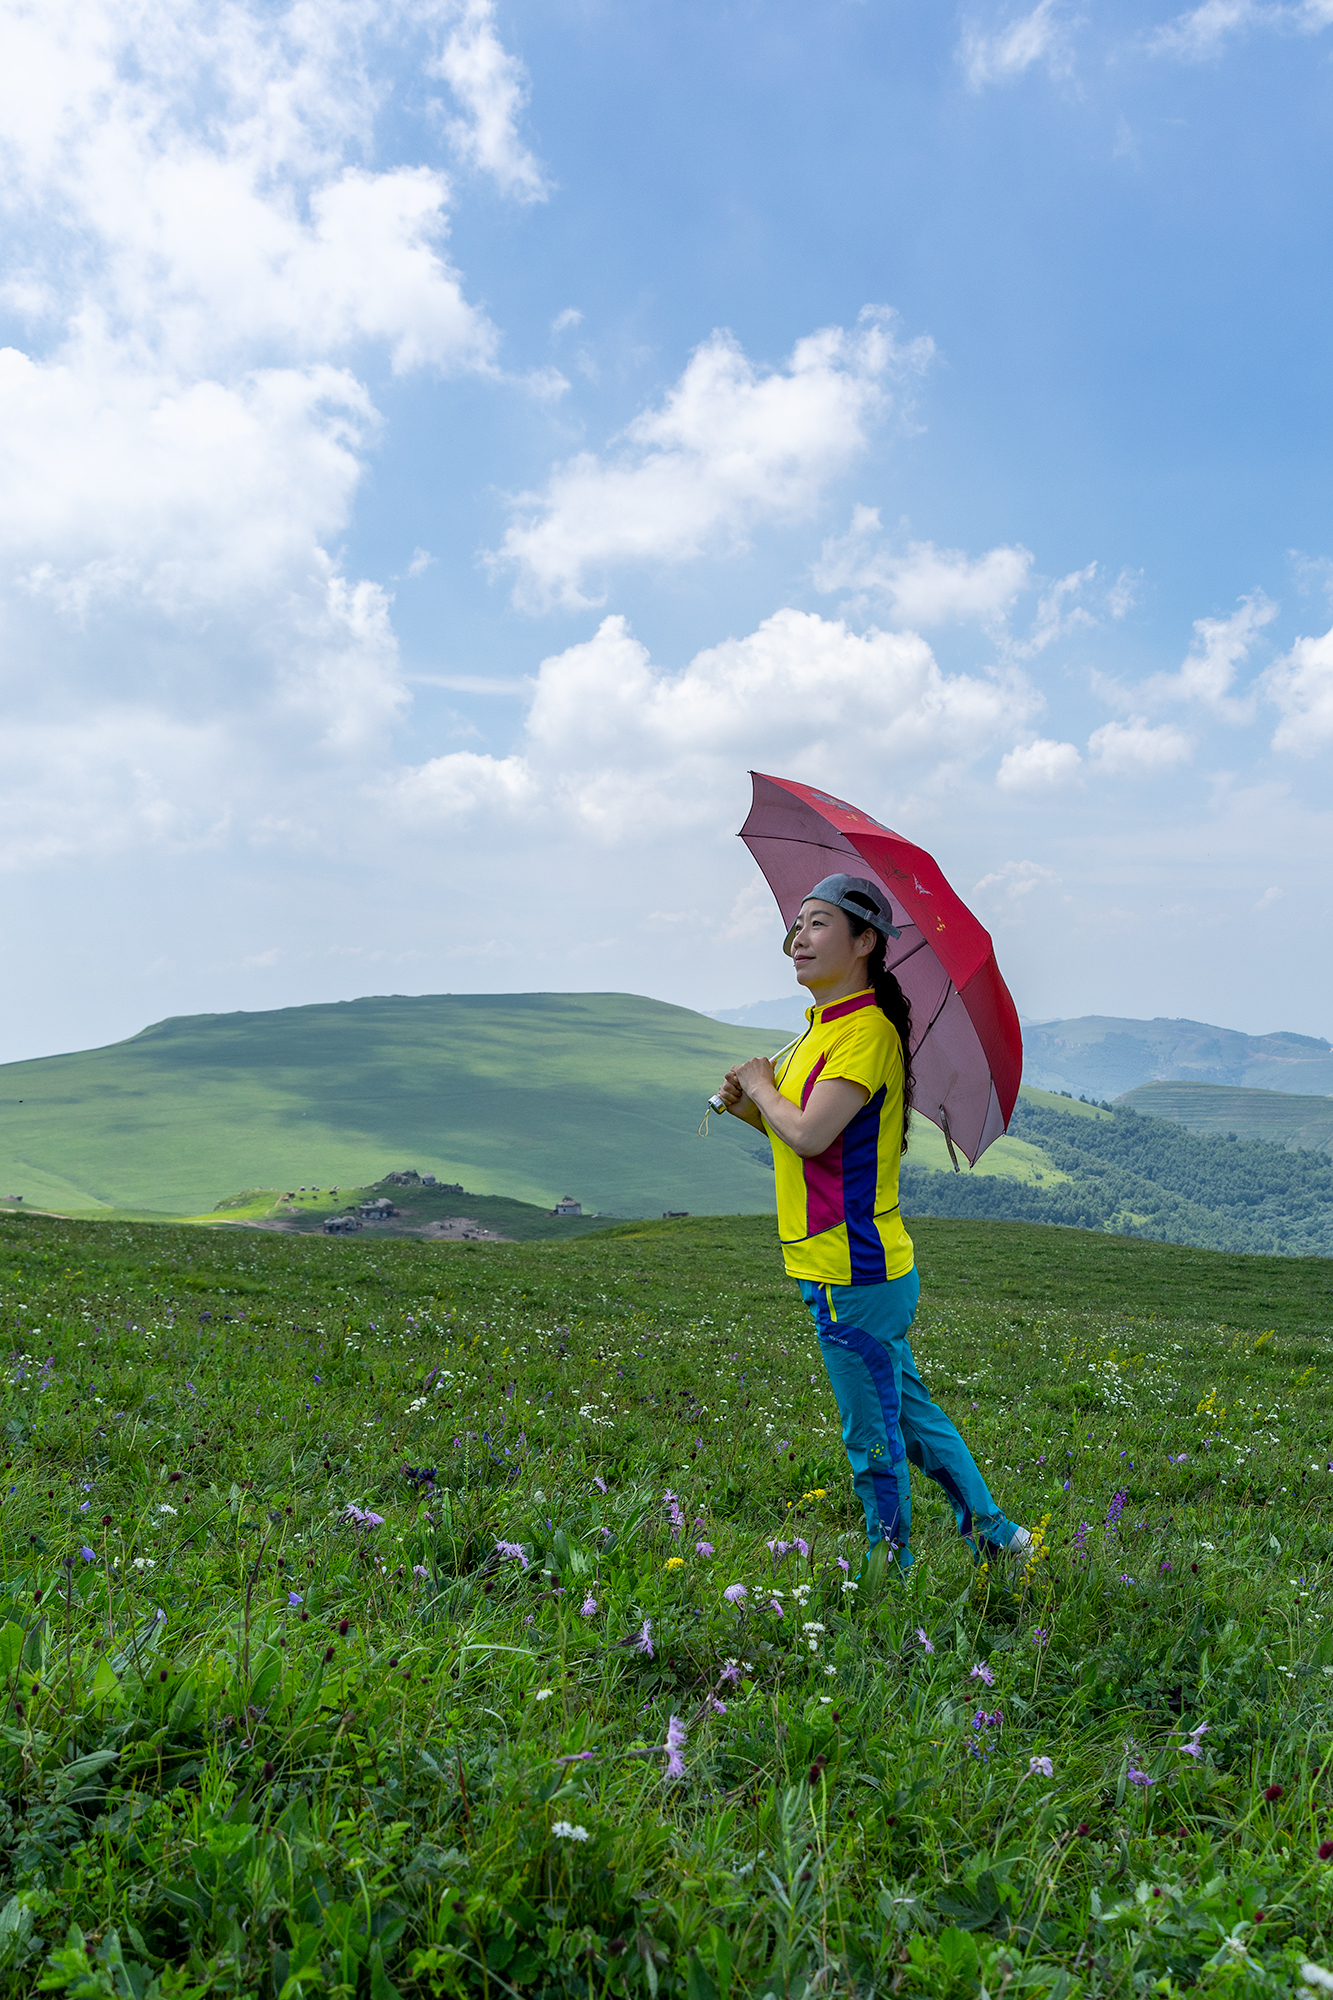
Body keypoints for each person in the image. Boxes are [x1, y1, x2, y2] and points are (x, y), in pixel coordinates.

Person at [717, 872, 1030, 1576]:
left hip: (849, 1268)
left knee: (873, 1433)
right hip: (837, 1263)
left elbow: (807, 1136)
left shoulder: (864, 1034)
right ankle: (995, 1533)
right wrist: (749, 1101)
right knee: (909, 1417)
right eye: (796, 923)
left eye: (818, 923)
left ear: (864, 942)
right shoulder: (819, 1033)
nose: (798, 936)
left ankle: (888, 1569)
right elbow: (801, 1140)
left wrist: (764, 1088)